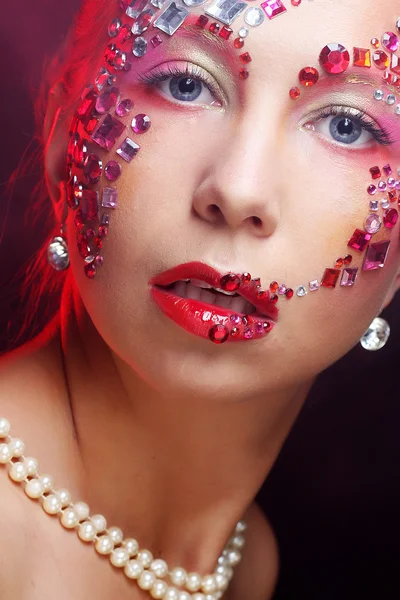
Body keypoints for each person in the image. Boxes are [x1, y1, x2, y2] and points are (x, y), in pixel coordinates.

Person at [0, 0, 399, 598]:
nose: (239, 190)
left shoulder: (243, 564)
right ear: (66, 134)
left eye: (348, 125)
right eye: (185, 84)